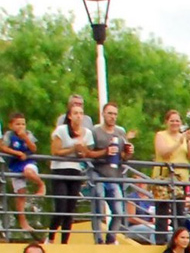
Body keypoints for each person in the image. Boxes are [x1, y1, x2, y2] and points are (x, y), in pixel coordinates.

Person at [48, 101, 102, 244]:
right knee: (61, 206)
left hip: (76, 170)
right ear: (70, 116)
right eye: (75, 113)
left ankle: (65, 241)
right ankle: (51, 236)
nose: (78, 116)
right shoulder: (61, 130)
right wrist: (72, 149)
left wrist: (82, 151)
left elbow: (87, 153)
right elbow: (55, 151)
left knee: (70, 208)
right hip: (60, 170)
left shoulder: (87, 133)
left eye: (81, 113)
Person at [152, 110, 190, 242]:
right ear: (166, 122)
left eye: (177, 120)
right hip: (164, 178)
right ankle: (160, 241)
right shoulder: (160, 135)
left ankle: (178, 240)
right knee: (162, 212)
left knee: (179, 213)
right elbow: (163, 152)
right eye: (172, 120)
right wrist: (179, 142)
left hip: (181, 179)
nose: (175, 123)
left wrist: (188, 141)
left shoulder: (183, 138)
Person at [91, 102, 132, 244]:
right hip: (98, 173)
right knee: (98, 205)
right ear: (103, 114)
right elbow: (88, 153)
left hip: (114, 175)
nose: (113, 116)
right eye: (110, 113)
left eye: (115, 114)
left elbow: (124, 157)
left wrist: (128, 153)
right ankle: (98, 239)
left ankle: (111, 237)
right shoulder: (95, 131)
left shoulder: (120, 132)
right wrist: (105, 152)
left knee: (119, 211)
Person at [2, 111, 47, 232]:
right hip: (15, 165)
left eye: (23, 124)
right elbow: (2, 147)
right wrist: (17, 153)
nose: (21, 127)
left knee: (29, 172)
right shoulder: (9, 135)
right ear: (11, 125)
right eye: (18, 124)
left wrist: (26, 138)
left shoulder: (28, 134)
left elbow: (34, 148)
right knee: (21, 193)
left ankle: (41, 184)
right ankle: (23, 222)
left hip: (28, 162)